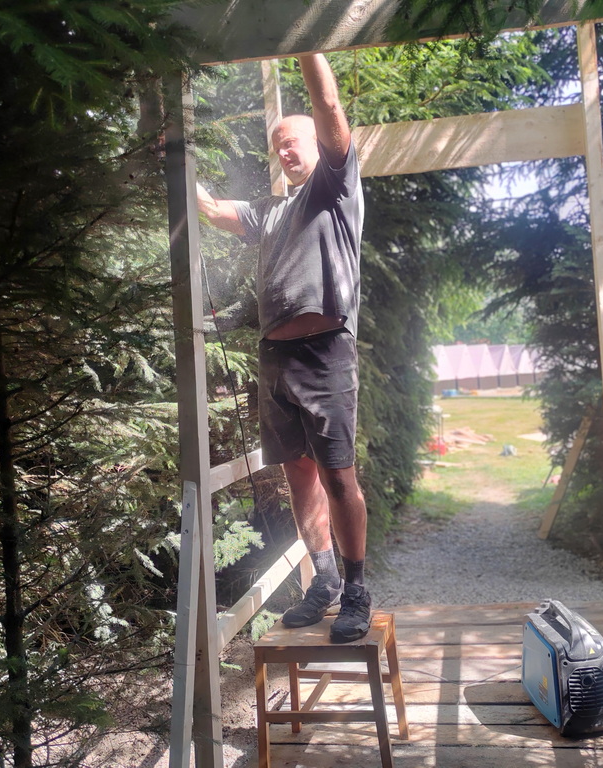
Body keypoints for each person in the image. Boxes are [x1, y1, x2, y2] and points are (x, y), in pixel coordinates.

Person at [195, 54, 371, 643]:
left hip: (325, 353)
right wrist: (175, 156)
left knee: (339, 476)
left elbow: (329, 106)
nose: (285, 153)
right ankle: (323, 581)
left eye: (292, 141)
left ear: (318, 142)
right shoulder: (270, 212)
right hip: (274, 360)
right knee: (298, 474)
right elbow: (211, 210)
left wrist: (305, 42)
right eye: (278, 148)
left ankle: (356, 589)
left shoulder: (335, 186)